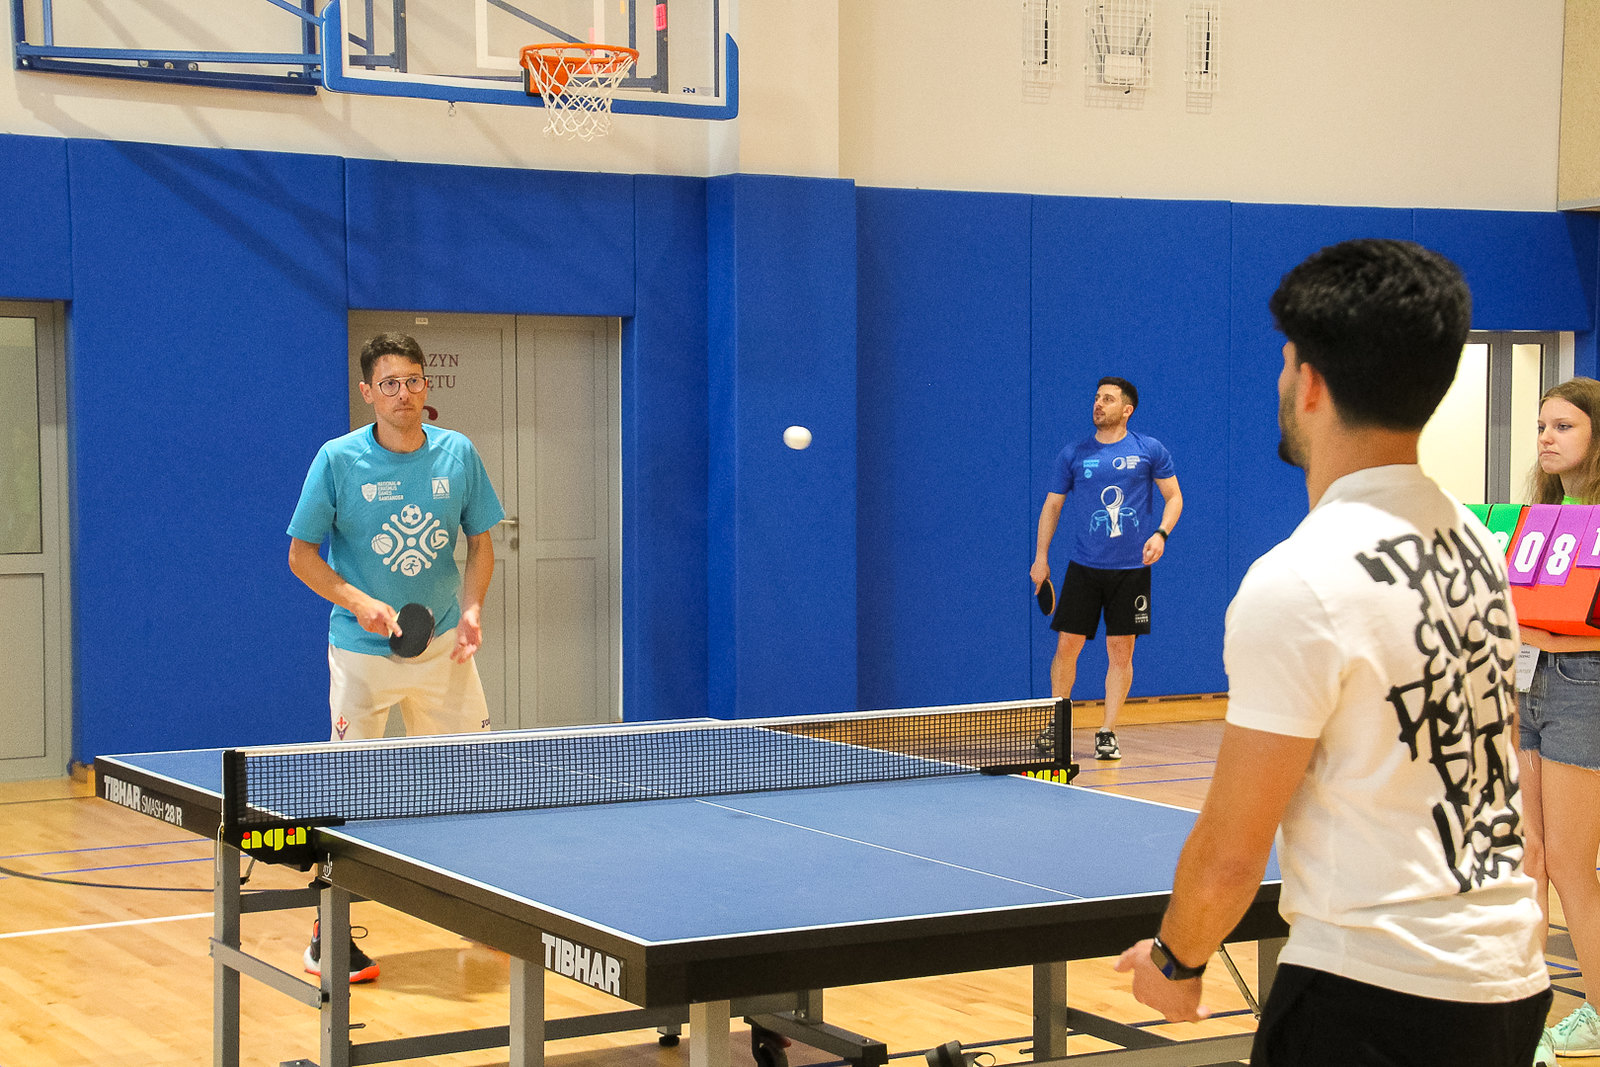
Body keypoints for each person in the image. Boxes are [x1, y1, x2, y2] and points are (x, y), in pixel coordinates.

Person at [1114, 238, 1549, 1065]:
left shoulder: (1303, 580)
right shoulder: (1478, 546)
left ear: (1309, 382)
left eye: (1286, 363)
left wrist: (1177, 959)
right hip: (1509, 980)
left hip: (1373, 998)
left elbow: (1235, 845)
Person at [287, 332, 506, 982]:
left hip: (444, 648)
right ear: (368, 392)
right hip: (363, 654)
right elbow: (301, 555)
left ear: (425, 386)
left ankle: (486, 911)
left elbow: (481, 545)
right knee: (349, 793)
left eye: (413, 380)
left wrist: (471, 612)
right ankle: (328, 933)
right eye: (390, 383)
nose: (404, 393)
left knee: (478, 784)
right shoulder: (337, 459)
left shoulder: (458, 454)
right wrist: (356, 600)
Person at [1030, 376, 1182, 761]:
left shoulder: (1149, 450)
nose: (1099, 404)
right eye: (1097, 397)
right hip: (1084, 567)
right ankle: (1057, 725)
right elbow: (1052, 506)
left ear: (1126, 409)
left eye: (1108, 399)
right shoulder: (1074, 454)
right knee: (1068, 646)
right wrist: (1041, 558)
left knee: (1121, 652)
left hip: (1131, 570)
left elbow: (1174, 496)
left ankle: (1107, 731)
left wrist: (1161, 534)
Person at [1517, 377, 1600, 1064]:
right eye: (1542, 425)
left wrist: (1551, 639)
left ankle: (1598, 1013)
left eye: (1564, 426)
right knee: (1530, 860)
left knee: (1572, 865)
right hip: (1527, 685)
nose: (1546, 436)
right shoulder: (1536, 516)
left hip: (1584, 689)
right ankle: (1521, 1018)